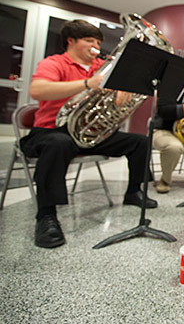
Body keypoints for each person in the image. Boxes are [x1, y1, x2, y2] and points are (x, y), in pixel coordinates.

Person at [21, 19, 156, 249]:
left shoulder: (99, 68)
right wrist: (87, 83)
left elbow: (118, 92)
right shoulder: (54, 63)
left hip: (89, 134)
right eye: (89, 41)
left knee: (140, 142)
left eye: (98, 42)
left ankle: (134, 191)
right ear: (71, 41)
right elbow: (37, 90)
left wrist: (124, 90)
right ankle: (46, 216)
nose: (95, 46)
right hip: (50, 131)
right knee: (58, 144)